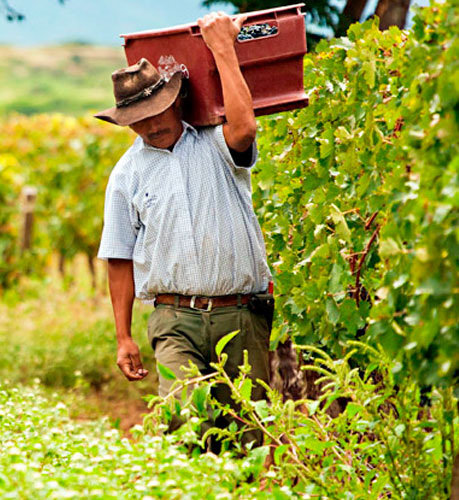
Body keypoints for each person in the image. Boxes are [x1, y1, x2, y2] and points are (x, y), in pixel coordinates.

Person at [94, 11, 275, 452]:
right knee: (184, 424)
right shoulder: (126, 175)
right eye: (138, 118)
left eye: (157, 111)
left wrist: (223, 49)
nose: (151, 125)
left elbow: (247, 127)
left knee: (247, 438)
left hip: (242, 313)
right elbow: (118, 258)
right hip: (174, 319)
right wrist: (122, 337)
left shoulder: (215, 143)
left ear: (176, 102)